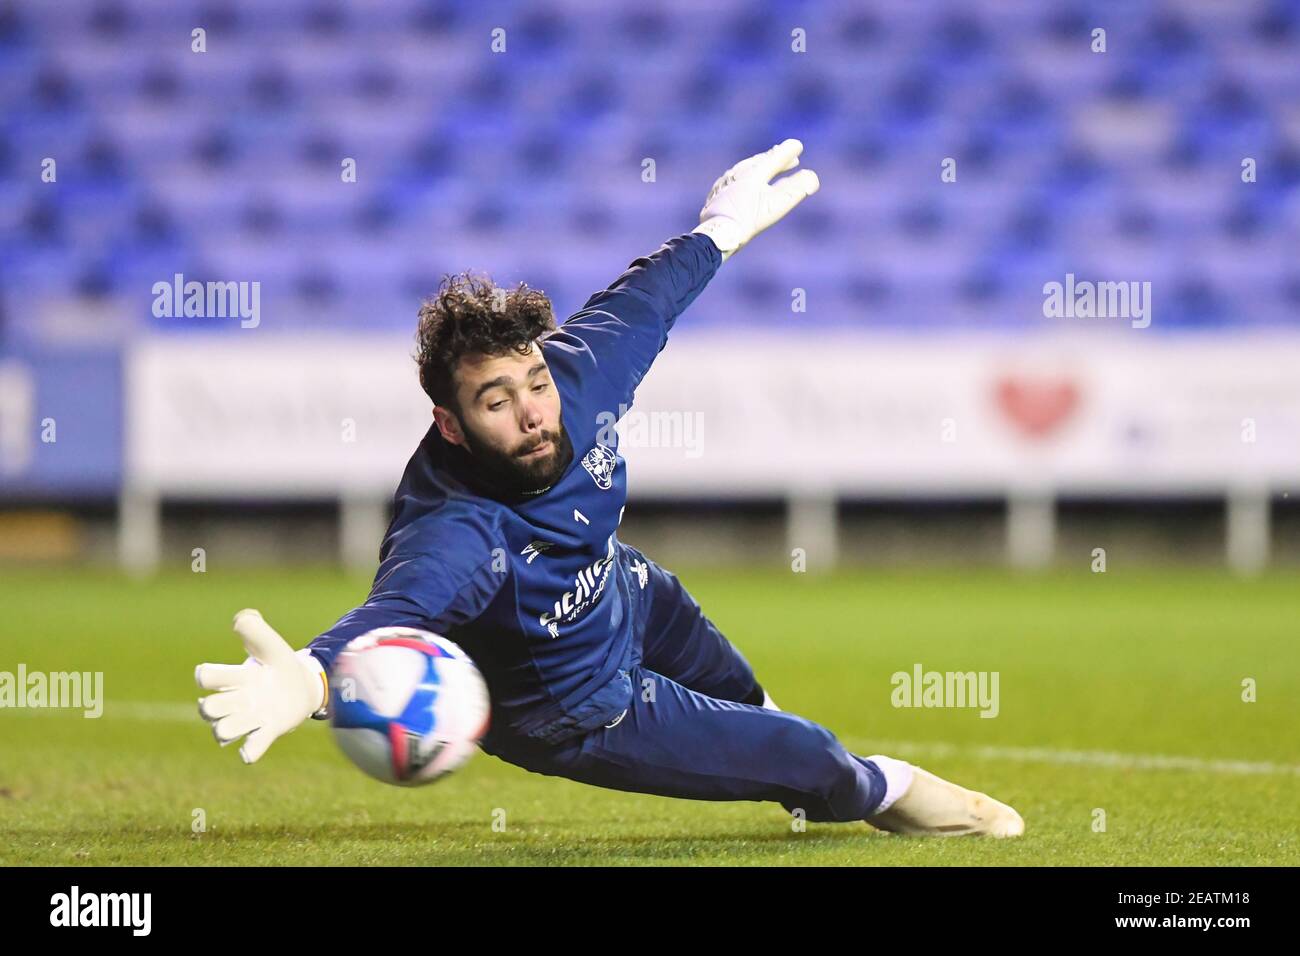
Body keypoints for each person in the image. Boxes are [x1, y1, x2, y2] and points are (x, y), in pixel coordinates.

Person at [196, 140, 1024, 838]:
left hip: (626, 590)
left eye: (533, 382)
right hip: (582, 705)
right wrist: (308, 679)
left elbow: (650, 300)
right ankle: (878, 787)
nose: (530, 412)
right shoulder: (457, 534)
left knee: (755, 704)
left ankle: (773, 744)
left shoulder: (576, 377)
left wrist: (720, 229)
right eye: (495, 401)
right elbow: (392, 616)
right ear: (450, 425)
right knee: (812, 762)